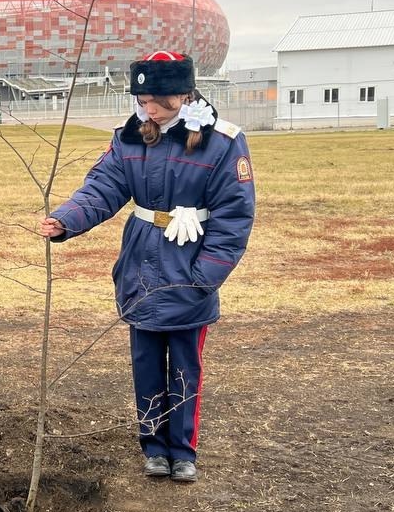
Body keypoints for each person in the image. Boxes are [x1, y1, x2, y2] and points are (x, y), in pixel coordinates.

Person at [39, 50, 254, 484]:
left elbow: (235, 217)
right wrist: (66, 219)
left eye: (158, 101)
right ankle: (153, 445)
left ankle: (183, 450)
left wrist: (204, 278)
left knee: (185, 366)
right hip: (142, 264)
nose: (149, 110)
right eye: (142, 100)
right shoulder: (131, 137)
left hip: (190, 264)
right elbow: (102, 187)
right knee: (146, 361)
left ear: (184, 94)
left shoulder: (223, 142)